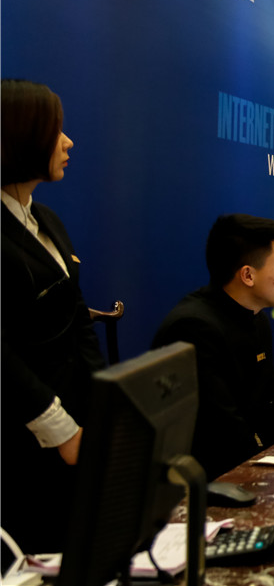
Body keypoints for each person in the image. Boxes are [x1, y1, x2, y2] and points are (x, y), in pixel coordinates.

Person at [1, 79, 107, 554]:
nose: (68, 142)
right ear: (22, 136)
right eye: (55, 131)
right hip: (24, 437)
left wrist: (103, 399)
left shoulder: (47, 220)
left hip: (76, 419)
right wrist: (58, 427)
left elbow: (77, 317)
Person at [152, 214, 274, 481]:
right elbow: (223, 432)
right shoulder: (194, 329)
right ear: (248, 275)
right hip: (203, 482)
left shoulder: (256, 318)